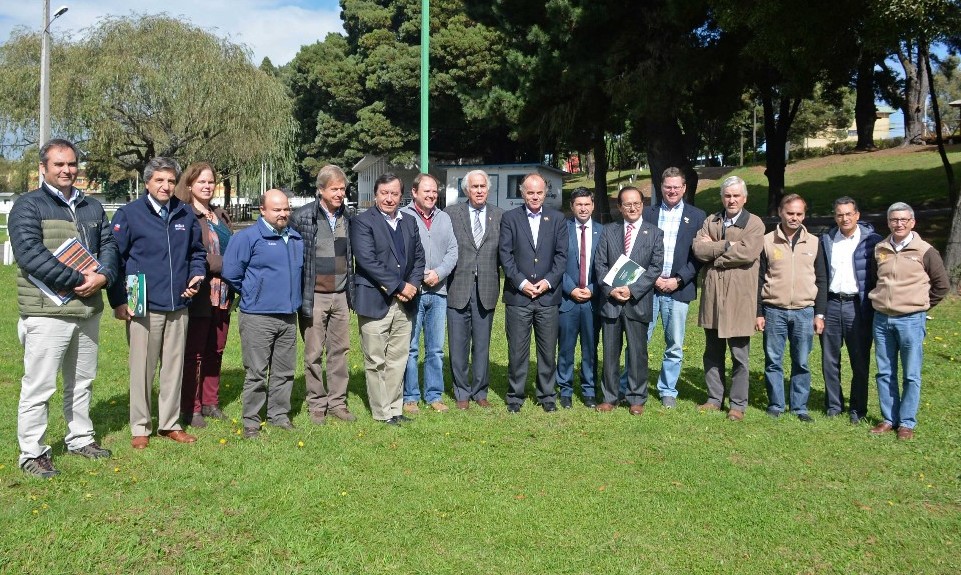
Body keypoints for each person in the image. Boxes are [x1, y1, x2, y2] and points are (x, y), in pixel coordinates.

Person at [10, 138, 119, 477]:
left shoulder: (92, 206)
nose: (67, 170)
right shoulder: (27, 206)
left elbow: (109, 246)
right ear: (43, 168)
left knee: (82, 380)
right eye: (59, 164)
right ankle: (32, 452)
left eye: (72, 164)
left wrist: (104, 276)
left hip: (87, 310)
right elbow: (30, 254)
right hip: (46, 312)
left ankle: (80, 437)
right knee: (40, 385)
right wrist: (76, 279)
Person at [108, 157, 207, 449]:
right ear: (147, 182)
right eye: (159, 181)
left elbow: (197, 253)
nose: (165, 186)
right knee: (142, 367)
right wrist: (118, 300)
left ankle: (169, 424)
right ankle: (140, 427)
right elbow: (115, 259)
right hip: (142, 302)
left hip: (179, 303)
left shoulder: (185, 213)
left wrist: (197, 275)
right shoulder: (129, 214)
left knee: (173, 367)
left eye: (170, 181)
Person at [222, 189, 304, 438]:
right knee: (256, 372)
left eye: (286, 209)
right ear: (263, 210)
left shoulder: (295, 238)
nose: (283, 214)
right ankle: (251, 421)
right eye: (277, 209)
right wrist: (253, 292)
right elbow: (231, 272)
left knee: (284, 370)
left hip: (288, 315)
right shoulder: (247, 238)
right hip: (258, 316)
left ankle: (278, 415)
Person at [868, 202, 949, 440]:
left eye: (904, 219)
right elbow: (876, 280)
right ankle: (888, 419)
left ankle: (906, 423)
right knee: (884, 371)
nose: (899, 223)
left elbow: (942, 285)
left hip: (911, 321)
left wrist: (920, 306)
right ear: (888, 222)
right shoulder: (880, 248)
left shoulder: (925, 251)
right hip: (882, 319)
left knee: (911, 373)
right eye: (894, 220)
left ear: (913, 222)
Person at [350, 174, 425, 425]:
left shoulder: (409, 222)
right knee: (376, 360)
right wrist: (399, 286)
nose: (389, 198)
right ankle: (382, 412)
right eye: (384, 193)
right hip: (375, 299)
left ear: (401, 195)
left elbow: (418, 258)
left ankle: (395, 408)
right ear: (375, 195)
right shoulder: (362, 222)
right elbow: (367, 261)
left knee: (398, 358)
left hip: (405, 302)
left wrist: (413, 285)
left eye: (394, 194)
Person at [693, 175, 764, 422]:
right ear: (722, 197)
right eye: (727, 195)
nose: (731, 200)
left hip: (738, 299)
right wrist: (728, 246)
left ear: (744, 198)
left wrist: (716, 249)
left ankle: (737, 404)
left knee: (739, 355)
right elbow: (698, 250)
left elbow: (747, 253)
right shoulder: (711, 220)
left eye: (736, 195)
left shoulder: (754, 223)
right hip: (713, 297)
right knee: (712, 353)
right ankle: (714, 399)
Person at [290, 165, 357, 426]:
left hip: (340, 294)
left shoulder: (347, 216)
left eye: (342, 188)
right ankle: (317, 404)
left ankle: (337, 402)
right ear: (321, 191)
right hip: (314, 295)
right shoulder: (303, 217)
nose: (340, 193)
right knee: (314, 353)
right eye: (334, 189)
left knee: (339, 351)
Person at [499, 173, 568, 413]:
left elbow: (561, 257)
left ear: (545, 192)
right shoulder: (509, 218)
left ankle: (547, 394)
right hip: (519, 296)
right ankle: (515, 396)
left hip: (548, 296)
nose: (535, 196)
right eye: (530, 192)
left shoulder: (557, 219)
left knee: (547, 349)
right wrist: (521, 283)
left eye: (539, 192)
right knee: (517, 350)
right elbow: (505, 256)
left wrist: (547, 282)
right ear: (522, 193)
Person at [756, 194, 827, 422]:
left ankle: (799, 407)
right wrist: (758, 312)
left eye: (799, 214)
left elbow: (822, 280)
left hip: (804, 311)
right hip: (774, 309)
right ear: (780, 212)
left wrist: (819, 313)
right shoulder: (767, 241)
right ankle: (776, 404)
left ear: (804, 215)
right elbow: (758, 278)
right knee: (773, 360)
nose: (794, 218)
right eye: (790, 213)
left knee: (802, 361)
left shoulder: (815, 242)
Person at [593, 187, 663, 414]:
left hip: (637, 301)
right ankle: (610, 397)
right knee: (610, 353)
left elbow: (655, 268)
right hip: (611, 303)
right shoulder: (608, 231)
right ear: (619, 208)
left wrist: (632, 290)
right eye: (627, 204)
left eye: (636, 203)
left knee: (637, 353)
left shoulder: (654, 233)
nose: (632, 208)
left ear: (642, 205)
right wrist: (611, 290)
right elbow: (600, 264)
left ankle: (636, 398)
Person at [174, 162, 233, 428]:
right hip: (199, 292)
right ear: (189, 185)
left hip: (223, 293)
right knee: (195, 352)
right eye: (201, 182)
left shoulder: (219, 215)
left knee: (216, 349)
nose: (207, 186)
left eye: (210, 182)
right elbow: (191, 253)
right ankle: (191, 407)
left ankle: (210, 402)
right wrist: (227, 264)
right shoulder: (184, 214)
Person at [642, 168, 706, 408]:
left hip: (679, 288)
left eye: (676, 186)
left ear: (684, 188)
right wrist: (654, 277)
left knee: (675, 344)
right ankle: (632, 383)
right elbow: (638, 250)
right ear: (661, 187)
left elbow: (699, 256)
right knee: (640, 340)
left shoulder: (698, 217)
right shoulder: (648, 214)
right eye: (668, 186)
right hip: (649, 288)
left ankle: (667, 389)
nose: (672, 190)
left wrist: (678, 279)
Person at [819, 197, 882, 424]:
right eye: (839, 214)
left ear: (857, 215)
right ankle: (834, 405)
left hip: (858, 307)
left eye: (848, 214)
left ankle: (858, 409)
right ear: (835, 217)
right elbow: (822, 277)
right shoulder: (826, 240)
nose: (844, 218)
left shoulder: (872, 241)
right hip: (832, 305)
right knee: (829, 359)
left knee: (859, 360)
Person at [444, 170, 504, 409]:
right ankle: (461, 392)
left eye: (483, 186)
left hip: (486, 288)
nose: (479, 190)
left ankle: (480, 392)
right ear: (466, 190)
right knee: (458, 344)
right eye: (474, 187)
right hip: (458, 287)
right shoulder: (451, 214)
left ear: (488, 189)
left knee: (482, 344)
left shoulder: (500, 216)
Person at [401, 173, 458, 413]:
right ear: (414, 192)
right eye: (426, 191)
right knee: (411, 347)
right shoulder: (403, 216)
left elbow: (453, 251)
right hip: (413, 292)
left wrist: (440, 273)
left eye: (434, 191)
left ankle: (434, 395)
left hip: (439, 291)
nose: (432, 195)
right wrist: (419, 276)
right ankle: (410, 396)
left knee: (435, 349)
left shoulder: (444, 217)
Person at [557, 187, 603, 409]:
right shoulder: (562, 230)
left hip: (593, 301)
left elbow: (608, 267)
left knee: (590, 348)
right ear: (572, 207)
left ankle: (589, 390)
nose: (583, 208)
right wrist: (570, 288)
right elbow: (554, 263)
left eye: (587, 204)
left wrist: (594, 288)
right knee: (565, 348)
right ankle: (564, 390)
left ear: (593, 206)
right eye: (578, 204)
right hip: (568, 300)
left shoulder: (604, 232)